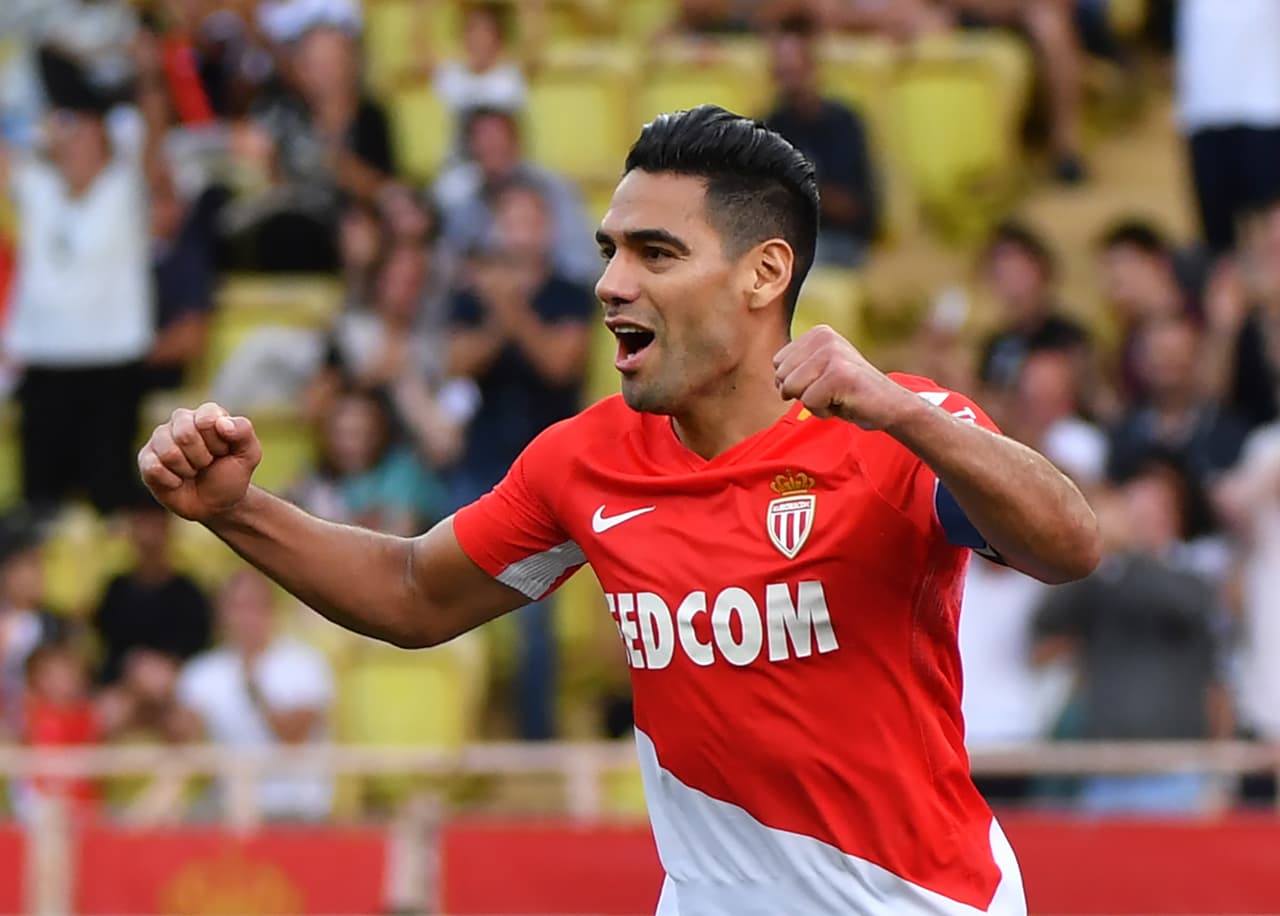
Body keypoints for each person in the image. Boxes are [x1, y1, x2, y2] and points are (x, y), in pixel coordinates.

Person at [139, 105, 1099, 914]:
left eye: (655, 252)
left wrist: (892, 406)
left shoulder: (899, 430)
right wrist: (236, 510)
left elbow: (1069, 545)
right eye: (609, 251)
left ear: (764, 275)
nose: (610, 284)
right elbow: (410, 593)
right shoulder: (583, 459)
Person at [177, 569, 336, 821]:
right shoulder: (203, 671)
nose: (245, 618)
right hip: (227, 807)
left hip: (295, 808)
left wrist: (254, 689)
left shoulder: (306, 664)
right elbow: (184, 741)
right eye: (236, 607)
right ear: (221, 614)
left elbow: (294, 736)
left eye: (253, 606)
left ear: (271, 611)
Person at [763, 13, 878, 267]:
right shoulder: (769, 127)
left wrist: (799, 195)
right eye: (782, 70)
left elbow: (854, 206)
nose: (788, 77)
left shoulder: (844, 123)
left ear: (812, 68)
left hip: (839, 241)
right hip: (786, 243)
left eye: (794, 68)